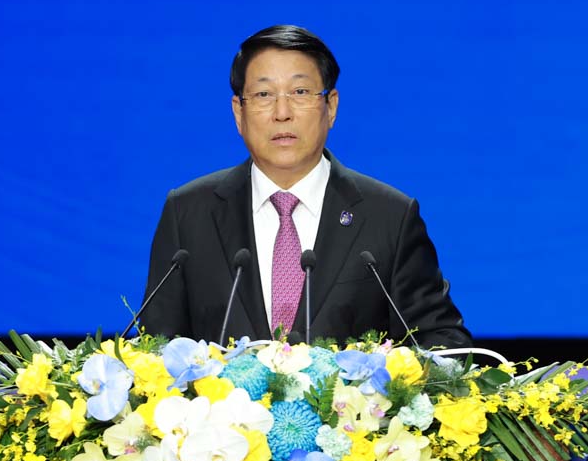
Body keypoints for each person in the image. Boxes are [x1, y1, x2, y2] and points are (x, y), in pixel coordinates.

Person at [139, 24, 471, 349]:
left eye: (300, 92)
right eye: (264, 94)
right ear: (239, 112)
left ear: (331, 106)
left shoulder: (390, 216)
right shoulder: (188, 213)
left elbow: (442, 344)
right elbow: (154, 349)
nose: (282, 113)